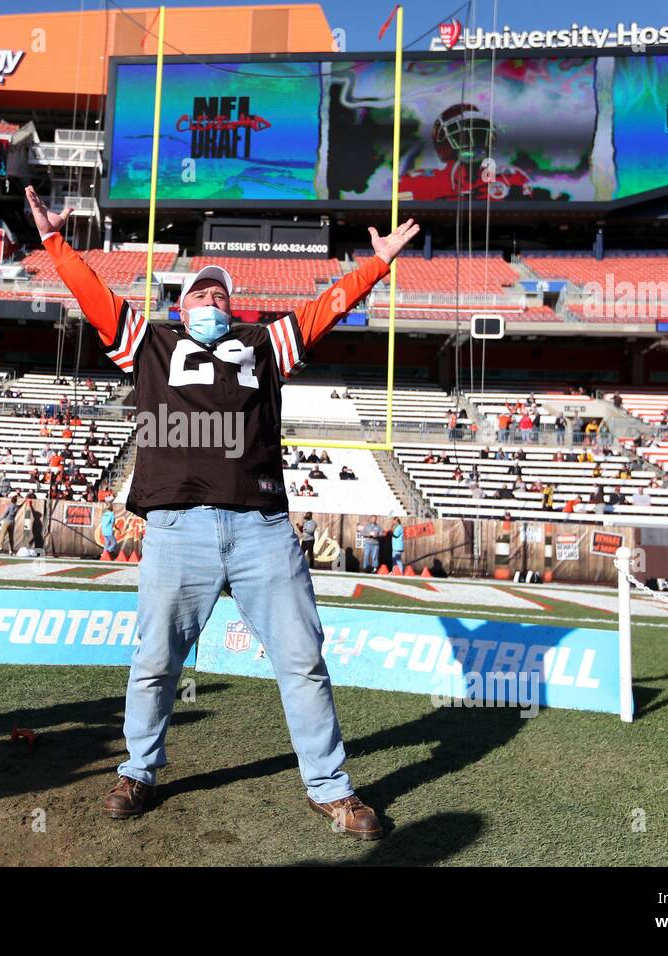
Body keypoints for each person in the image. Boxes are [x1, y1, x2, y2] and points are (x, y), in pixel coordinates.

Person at [24, 184, 419, 838]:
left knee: (302, 659)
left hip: (261, 528)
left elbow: (325, 309)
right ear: (180, 307)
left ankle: (331, 788)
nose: (211, 300)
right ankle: (138, 768)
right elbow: (93, 295)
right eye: (200, 294)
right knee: (155, 662)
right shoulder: (147, 347)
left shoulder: (264, 348)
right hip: (179, 529)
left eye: (221, 295)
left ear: (234, 310)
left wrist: (377, 264)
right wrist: (56, 243)